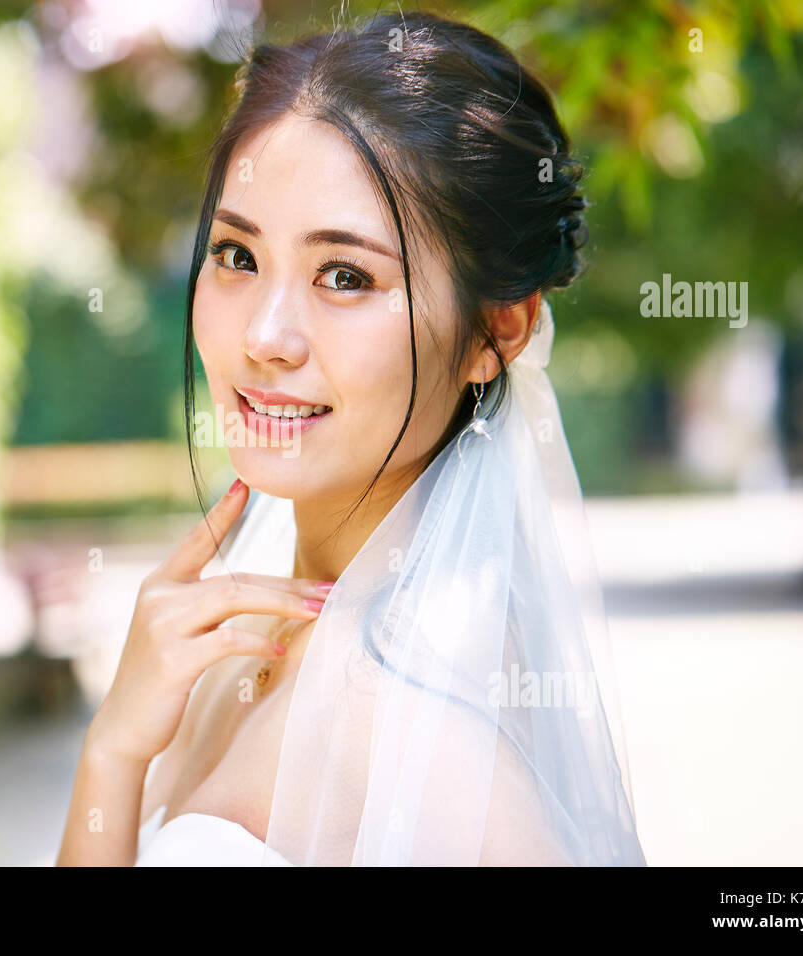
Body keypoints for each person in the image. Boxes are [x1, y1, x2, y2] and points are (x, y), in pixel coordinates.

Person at [57, 10, 646, 866]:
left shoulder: (424, 727)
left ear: (497, 332)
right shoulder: (227, 646)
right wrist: (113, 751)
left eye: (345, 275)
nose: (265, 336)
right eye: (237, 255)